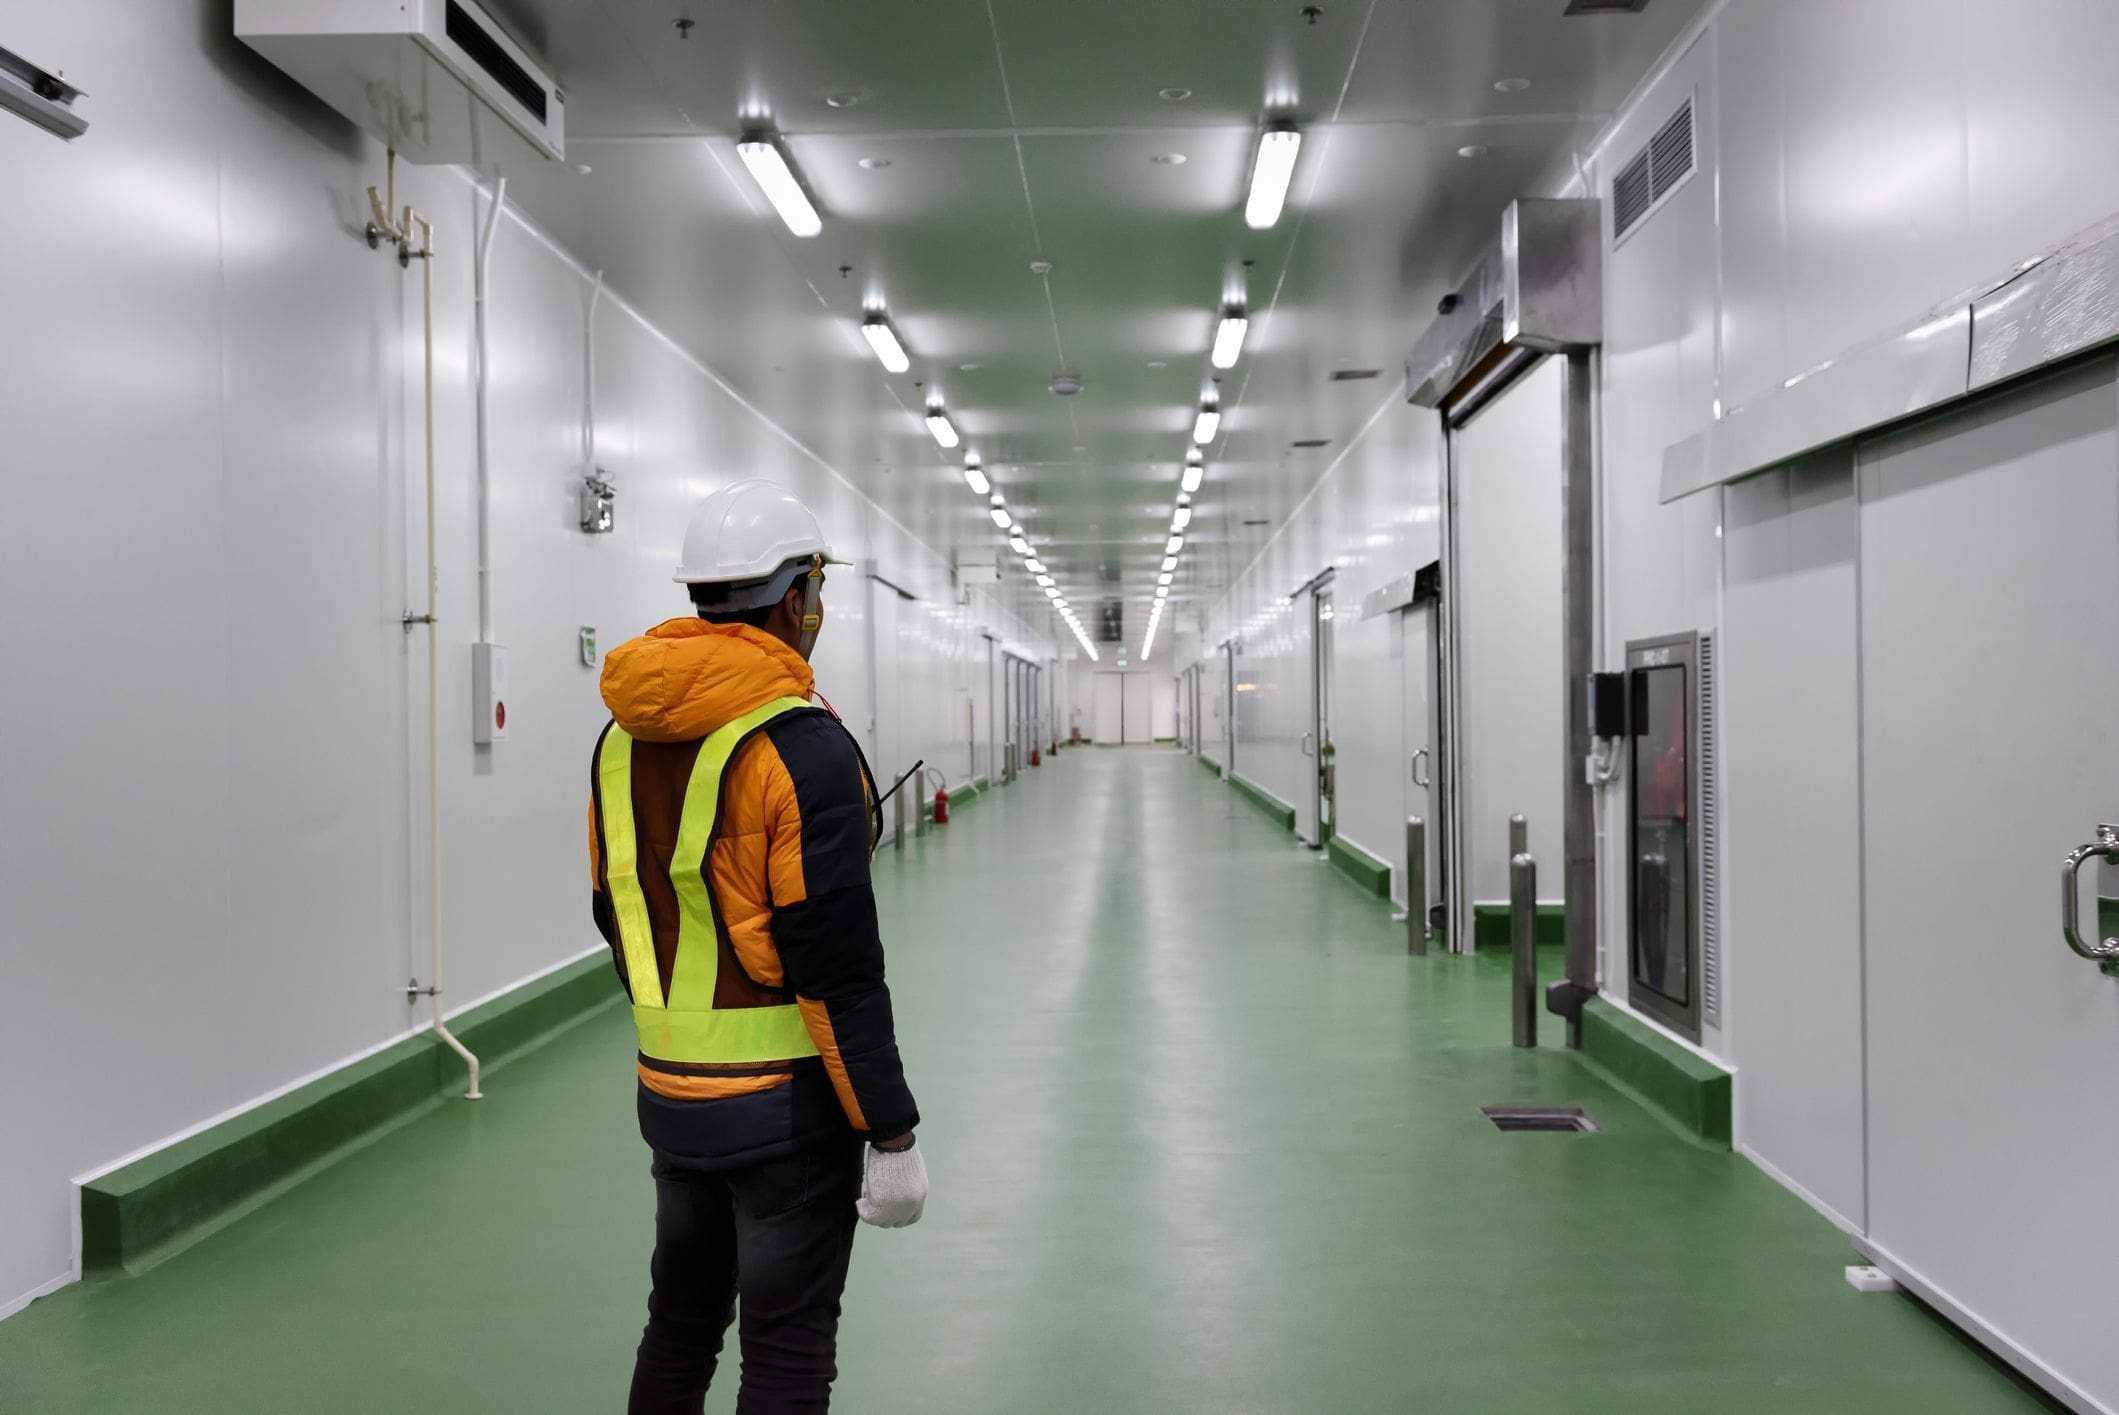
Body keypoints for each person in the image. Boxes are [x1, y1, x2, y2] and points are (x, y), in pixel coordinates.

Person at [588, 478, 927, 1413]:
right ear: (793, 598)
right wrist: (889, 1129)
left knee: (681, 1322)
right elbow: (835, 965)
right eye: (816, 587)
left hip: (671, 1095)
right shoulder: (803, 747)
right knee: (786, 1349)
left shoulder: (619, 741)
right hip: (786, 1116)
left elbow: (618, 910)